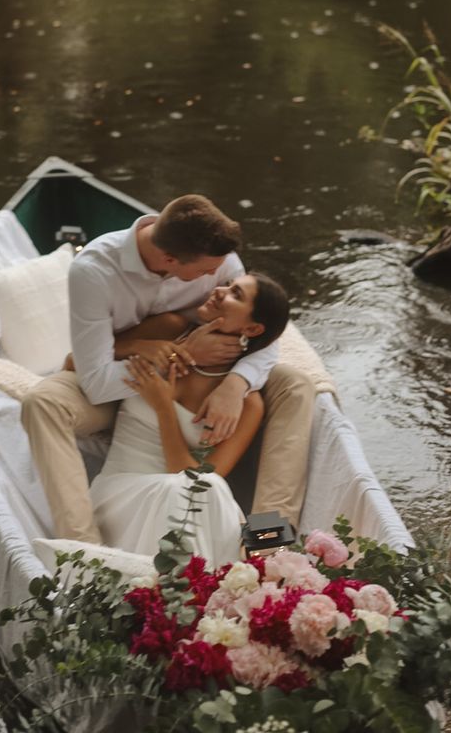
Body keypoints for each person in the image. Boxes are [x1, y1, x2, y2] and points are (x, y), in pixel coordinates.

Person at [20, 194, 316, 542]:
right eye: (208, 274)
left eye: (227, 284)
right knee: (41, 402)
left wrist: (236, 384)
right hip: (114, 379)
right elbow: (87, 371)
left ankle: (270, 543)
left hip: (186, 380)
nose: (217, 282)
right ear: (169, 260)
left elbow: (266, 337)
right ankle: (83, 548)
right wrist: (179, 353)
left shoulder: (220, 261)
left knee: (296, 384)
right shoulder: (96, 272)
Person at [90, 273, 290, 566]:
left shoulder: (247, 403)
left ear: (253, 328)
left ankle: (201, 592)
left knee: (206, 486)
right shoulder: (170, 329)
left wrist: (163, 408)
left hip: (181, 497)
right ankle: (202, 589)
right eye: (227, 285)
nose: (219, 291)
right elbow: (76, 362)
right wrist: (145, 348)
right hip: (120, 494)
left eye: (235, 294)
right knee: (201, 489)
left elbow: (193, 480)